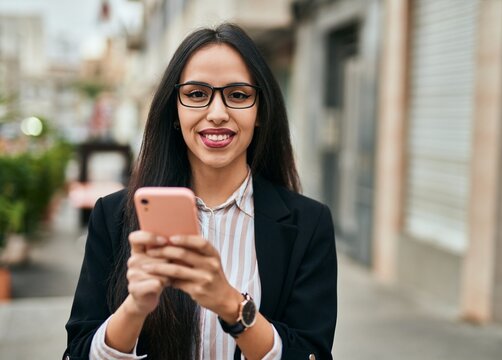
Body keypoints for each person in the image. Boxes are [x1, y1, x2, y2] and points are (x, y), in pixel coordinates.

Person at [64, 23, 337, 360]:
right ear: (174, 112)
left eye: (238, 95)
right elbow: (77, 352)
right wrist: (134, 308)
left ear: (261, 111)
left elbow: (312, 353)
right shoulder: (114, 216)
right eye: (196, 94)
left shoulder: (308, 224)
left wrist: (232, 306)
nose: (217, 114)